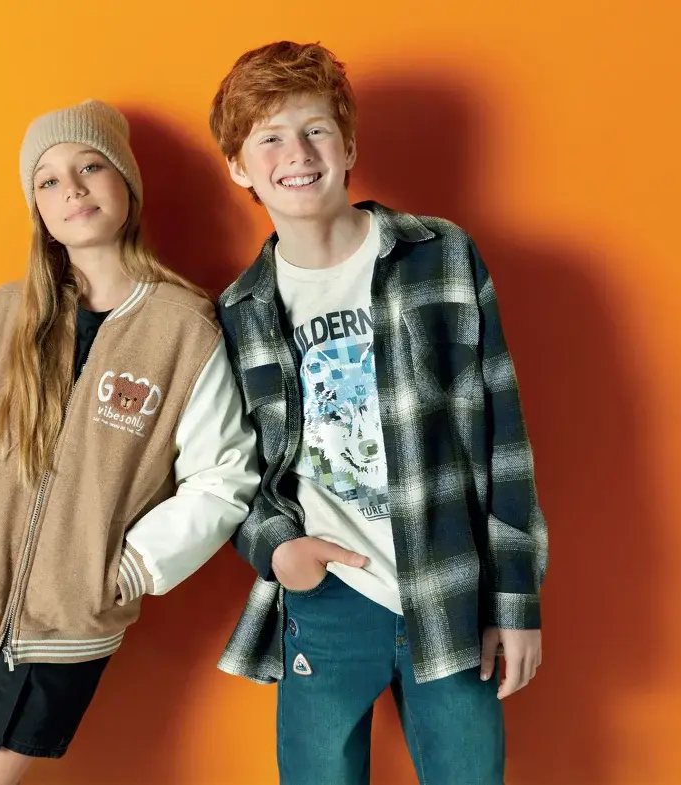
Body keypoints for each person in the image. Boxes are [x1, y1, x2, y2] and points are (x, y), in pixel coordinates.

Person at [208, 42, 549, 784]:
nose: (297, 154)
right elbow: (227, 468)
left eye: (316, 130)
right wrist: (279, 549)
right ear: (238, 166)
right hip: (327, 598)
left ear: (350, 145)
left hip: (449, 590)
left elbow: (504, 438)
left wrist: (515, 599)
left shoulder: (441, 255)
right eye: (269, 138)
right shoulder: (239, 311)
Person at [0, 99, 259, 785]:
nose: (72, 189)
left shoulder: (184, 330)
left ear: (126, 183)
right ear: (37, 207)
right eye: (49, 179)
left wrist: (128, 571)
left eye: (91, 167)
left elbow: (224, 476)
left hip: (64, 625)